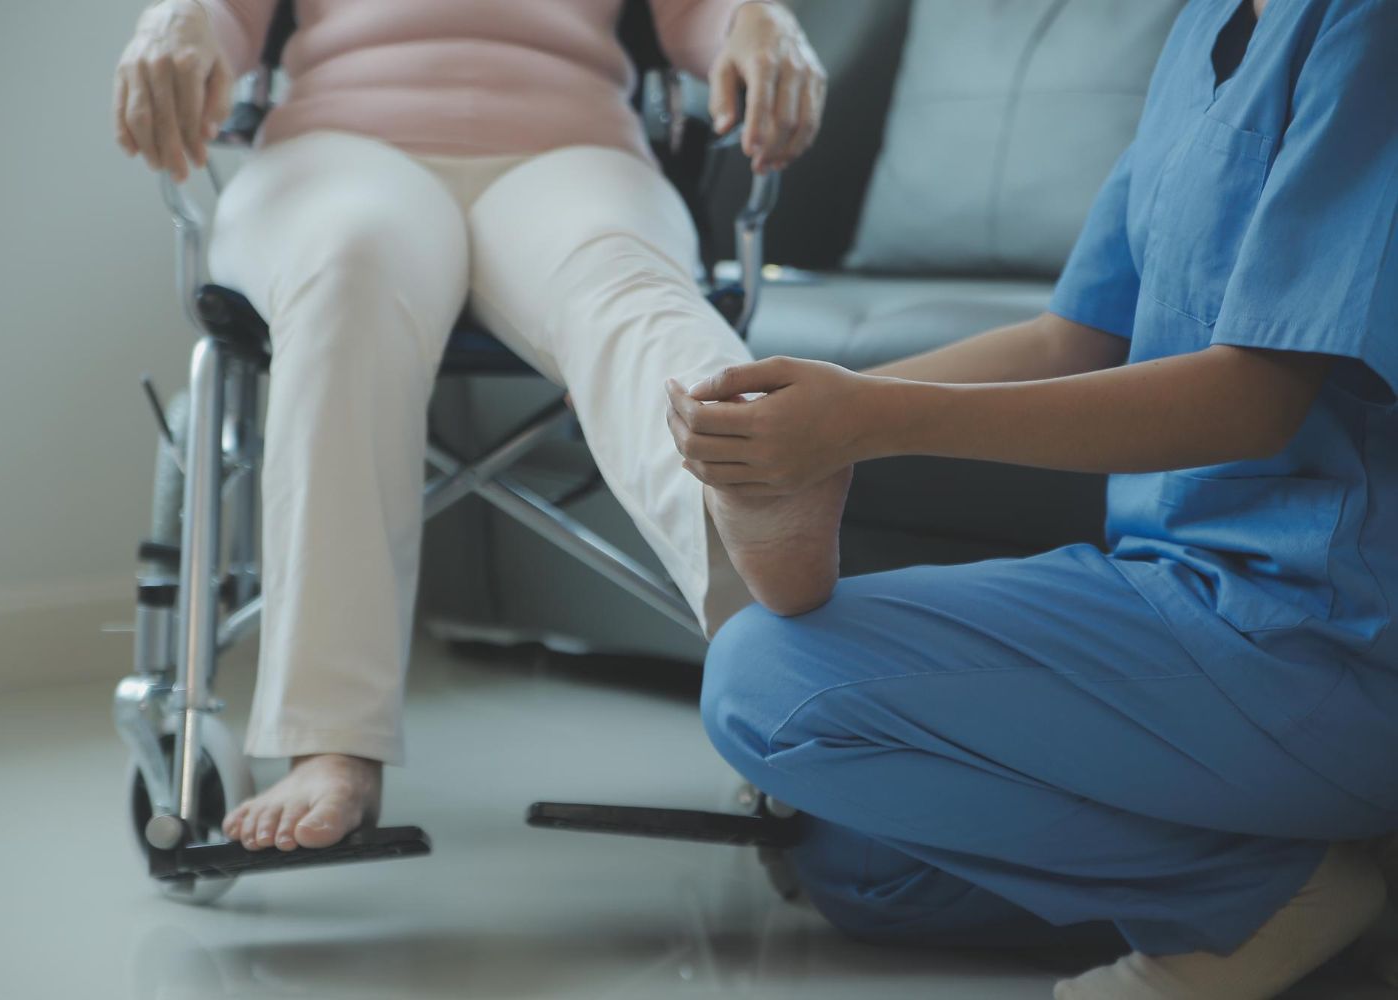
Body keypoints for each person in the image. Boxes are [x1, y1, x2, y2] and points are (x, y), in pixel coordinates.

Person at [670, 0, 1398, 997]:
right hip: (1167, 587)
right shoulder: (1203, 32)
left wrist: (866, 424)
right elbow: (1073, 336)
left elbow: (1254, 399)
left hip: (1321, 635)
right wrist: (798, 416)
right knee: (852, 860)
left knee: (769, 686)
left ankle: (1273, 890)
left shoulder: (1364, 30)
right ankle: (1283, 878)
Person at [112, 0, 830, 854]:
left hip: (576, 152)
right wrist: (175, 19)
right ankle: (332, 739)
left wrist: (762, 19)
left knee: (630, 297)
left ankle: (791, 683)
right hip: (335, 146)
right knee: (349, 268)